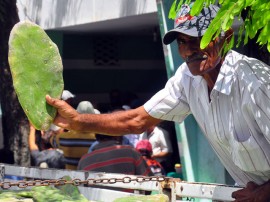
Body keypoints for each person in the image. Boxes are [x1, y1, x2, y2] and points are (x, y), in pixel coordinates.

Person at [46, 2, 270, 201]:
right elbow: (137, 120)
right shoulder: (187, 79)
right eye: (182, 41)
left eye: (198, 39)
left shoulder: (255, 84)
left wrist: (262, 193)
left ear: (226, 37)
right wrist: (76, 121)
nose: (188, 50)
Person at [50, 101, 98, 170]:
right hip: (90, 178)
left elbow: (52, 140)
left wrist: (63, 128)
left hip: (71, 178)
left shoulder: (63, 138)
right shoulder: (97, 139)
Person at [78, 134, 152, 176]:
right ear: (117, 135)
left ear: (96, 136)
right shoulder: (131, 152)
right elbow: (149, 183)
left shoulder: (84, 160)